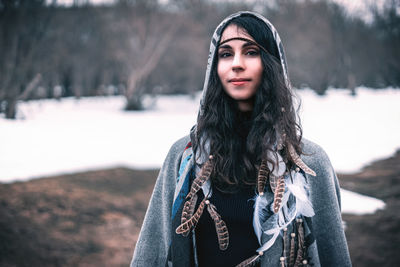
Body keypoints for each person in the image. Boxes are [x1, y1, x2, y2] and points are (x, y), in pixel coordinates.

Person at [130, 11, 352, 267]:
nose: (236, 63)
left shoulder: (309, 162)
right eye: (226, 54)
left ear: (271, 64)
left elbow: (333, 254)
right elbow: (152, 248)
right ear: (215, 68)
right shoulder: (185, 156)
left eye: (250, 52)